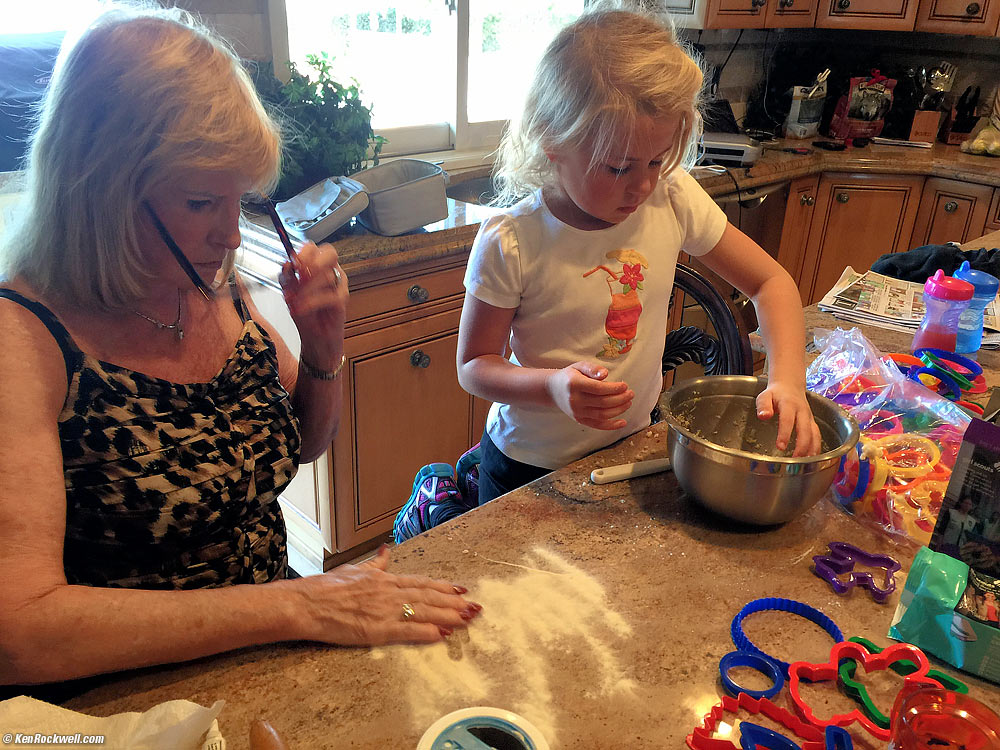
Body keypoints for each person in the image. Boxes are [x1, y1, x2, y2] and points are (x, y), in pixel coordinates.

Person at [0, 6, 479, 687]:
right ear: (98, 190)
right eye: (201, 204)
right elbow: (19, 632)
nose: (230, 236)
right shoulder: (21, 339)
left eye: (239, 201)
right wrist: (297, 604)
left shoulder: (210, 283)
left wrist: (323, 350)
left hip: (268, 660)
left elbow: (303, 445)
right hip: (131, 705)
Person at [456, 7, 822, 505]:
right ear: (552, 142)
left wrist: (787, 382)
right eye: (618, 167)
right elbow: (475, 365)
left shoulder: (670, 197)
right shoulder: (513, 239)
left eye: (657, 160)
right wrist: (553, 386)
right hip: (528, 467)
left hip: (631, 448)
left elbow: (769, 284)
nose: (643, 185)